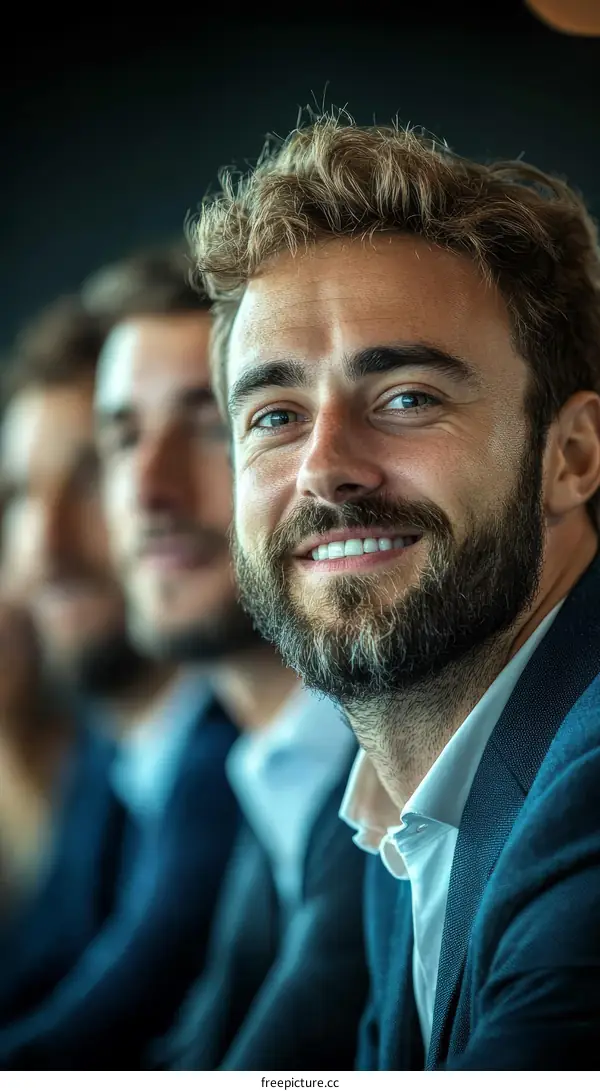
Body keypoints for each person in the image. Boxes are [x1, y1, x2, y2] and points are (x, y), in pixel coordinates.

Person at [190, 113, 600, 1071]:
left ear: (572, 456)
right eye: (277, 415)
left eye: (407, 397)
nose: (326, 469)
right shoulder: (400, 781)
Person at [91, 247, 368, 1070]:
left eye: (210, 423)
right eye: (121, 438)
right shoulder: (255, 772)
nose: (149, 489)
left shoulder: (396, 765)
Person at [0, 294, 239, 1069]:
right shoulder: (112, 756)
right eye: (17, 498)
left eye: (88, 477)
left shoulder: (243, 747)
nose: (45, 548)